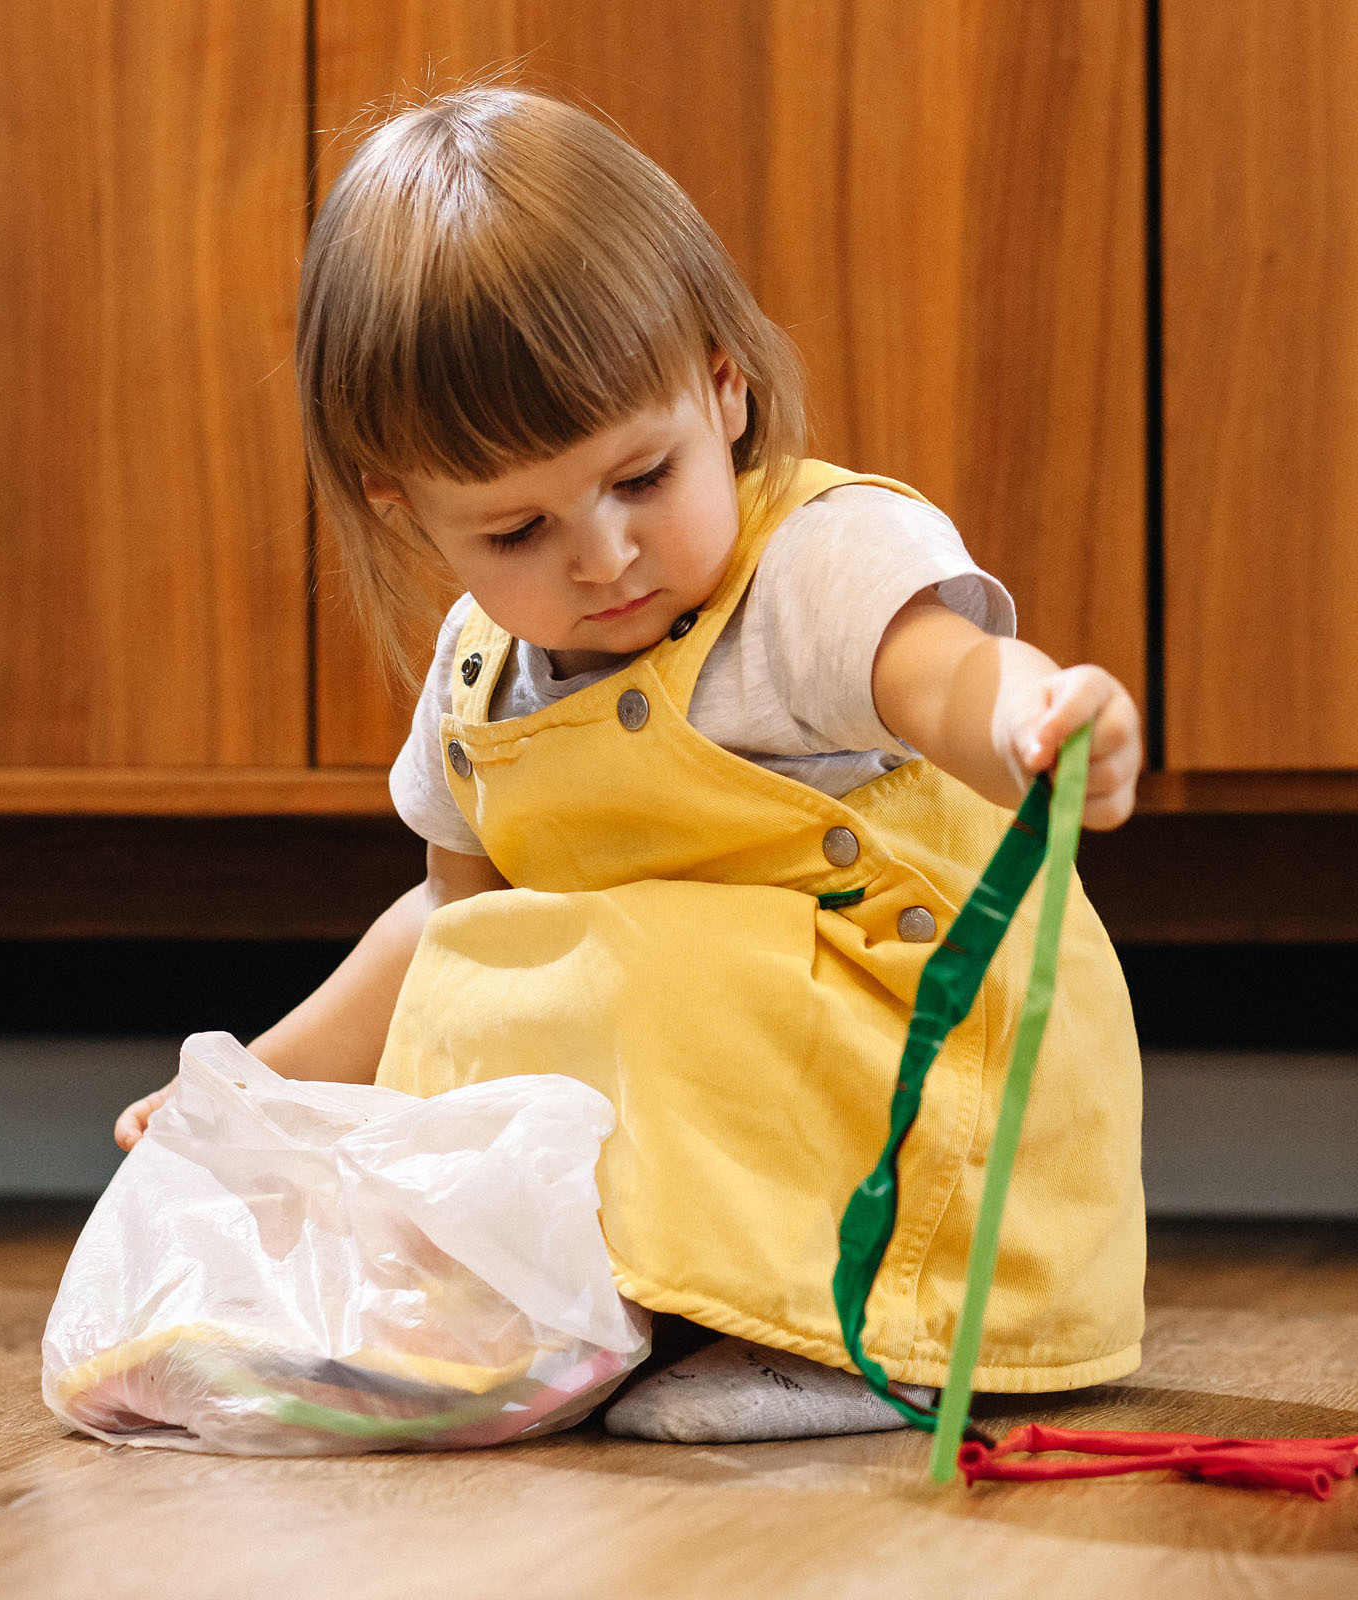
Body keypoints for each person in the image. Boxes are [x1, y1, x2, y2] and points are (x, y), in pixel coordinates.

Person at [115, 84, 1146, 1444]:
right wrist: (257, 1084)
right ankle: (646, 1313)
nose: (599, 556)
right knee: (507, 968)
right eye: (516, 529)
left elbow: (944, 671)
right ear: (403, 506)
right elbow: (450, 928)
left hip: (922, 1103)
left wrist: (1035, 722)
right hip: (744, 1096)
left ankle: (849, 1341)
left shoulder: (812, 567)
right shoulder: (483, 674)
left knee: (646, 963)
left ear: (723, 387)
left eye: (641, 479)